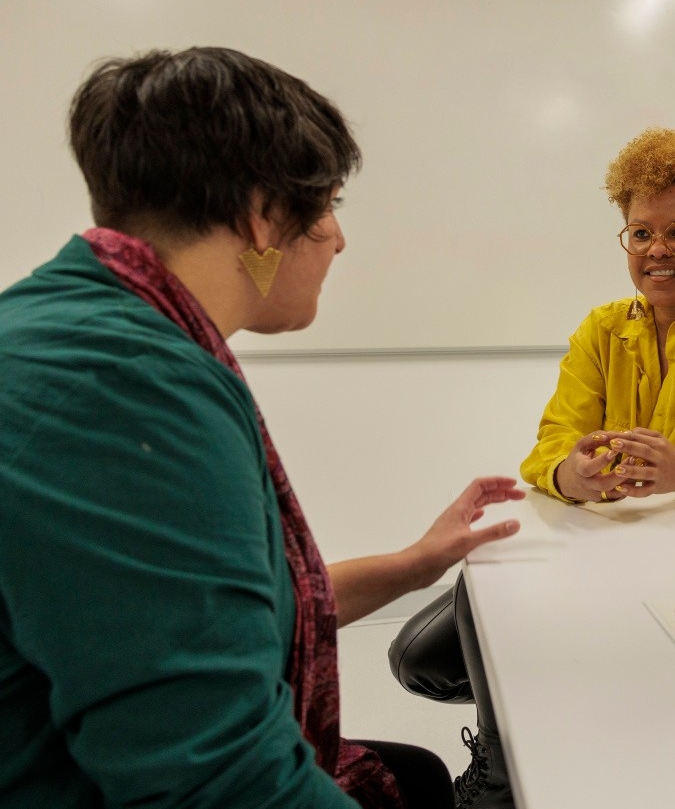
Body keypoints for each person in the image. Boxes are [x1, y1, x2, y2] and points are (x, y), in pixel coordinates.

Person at [0, 47, 525, 809]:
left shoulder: (78, 325)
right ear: (262, 215)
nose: (338, 239)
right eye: (329, 205)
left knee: (414, 774)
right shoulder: (122, 386)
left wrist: (416, 564)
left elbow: (205, 615)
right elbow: (220, 782)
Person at [389, 127, 675, 807]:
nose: (656, 250)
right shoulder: (602, 327)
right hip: (598, 546)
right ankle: (538, 728)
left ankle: (503, 775)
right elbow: (551, 441)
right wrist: (569, 475)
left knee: (583, 656)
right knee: (419, 660)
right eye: (640, 234)